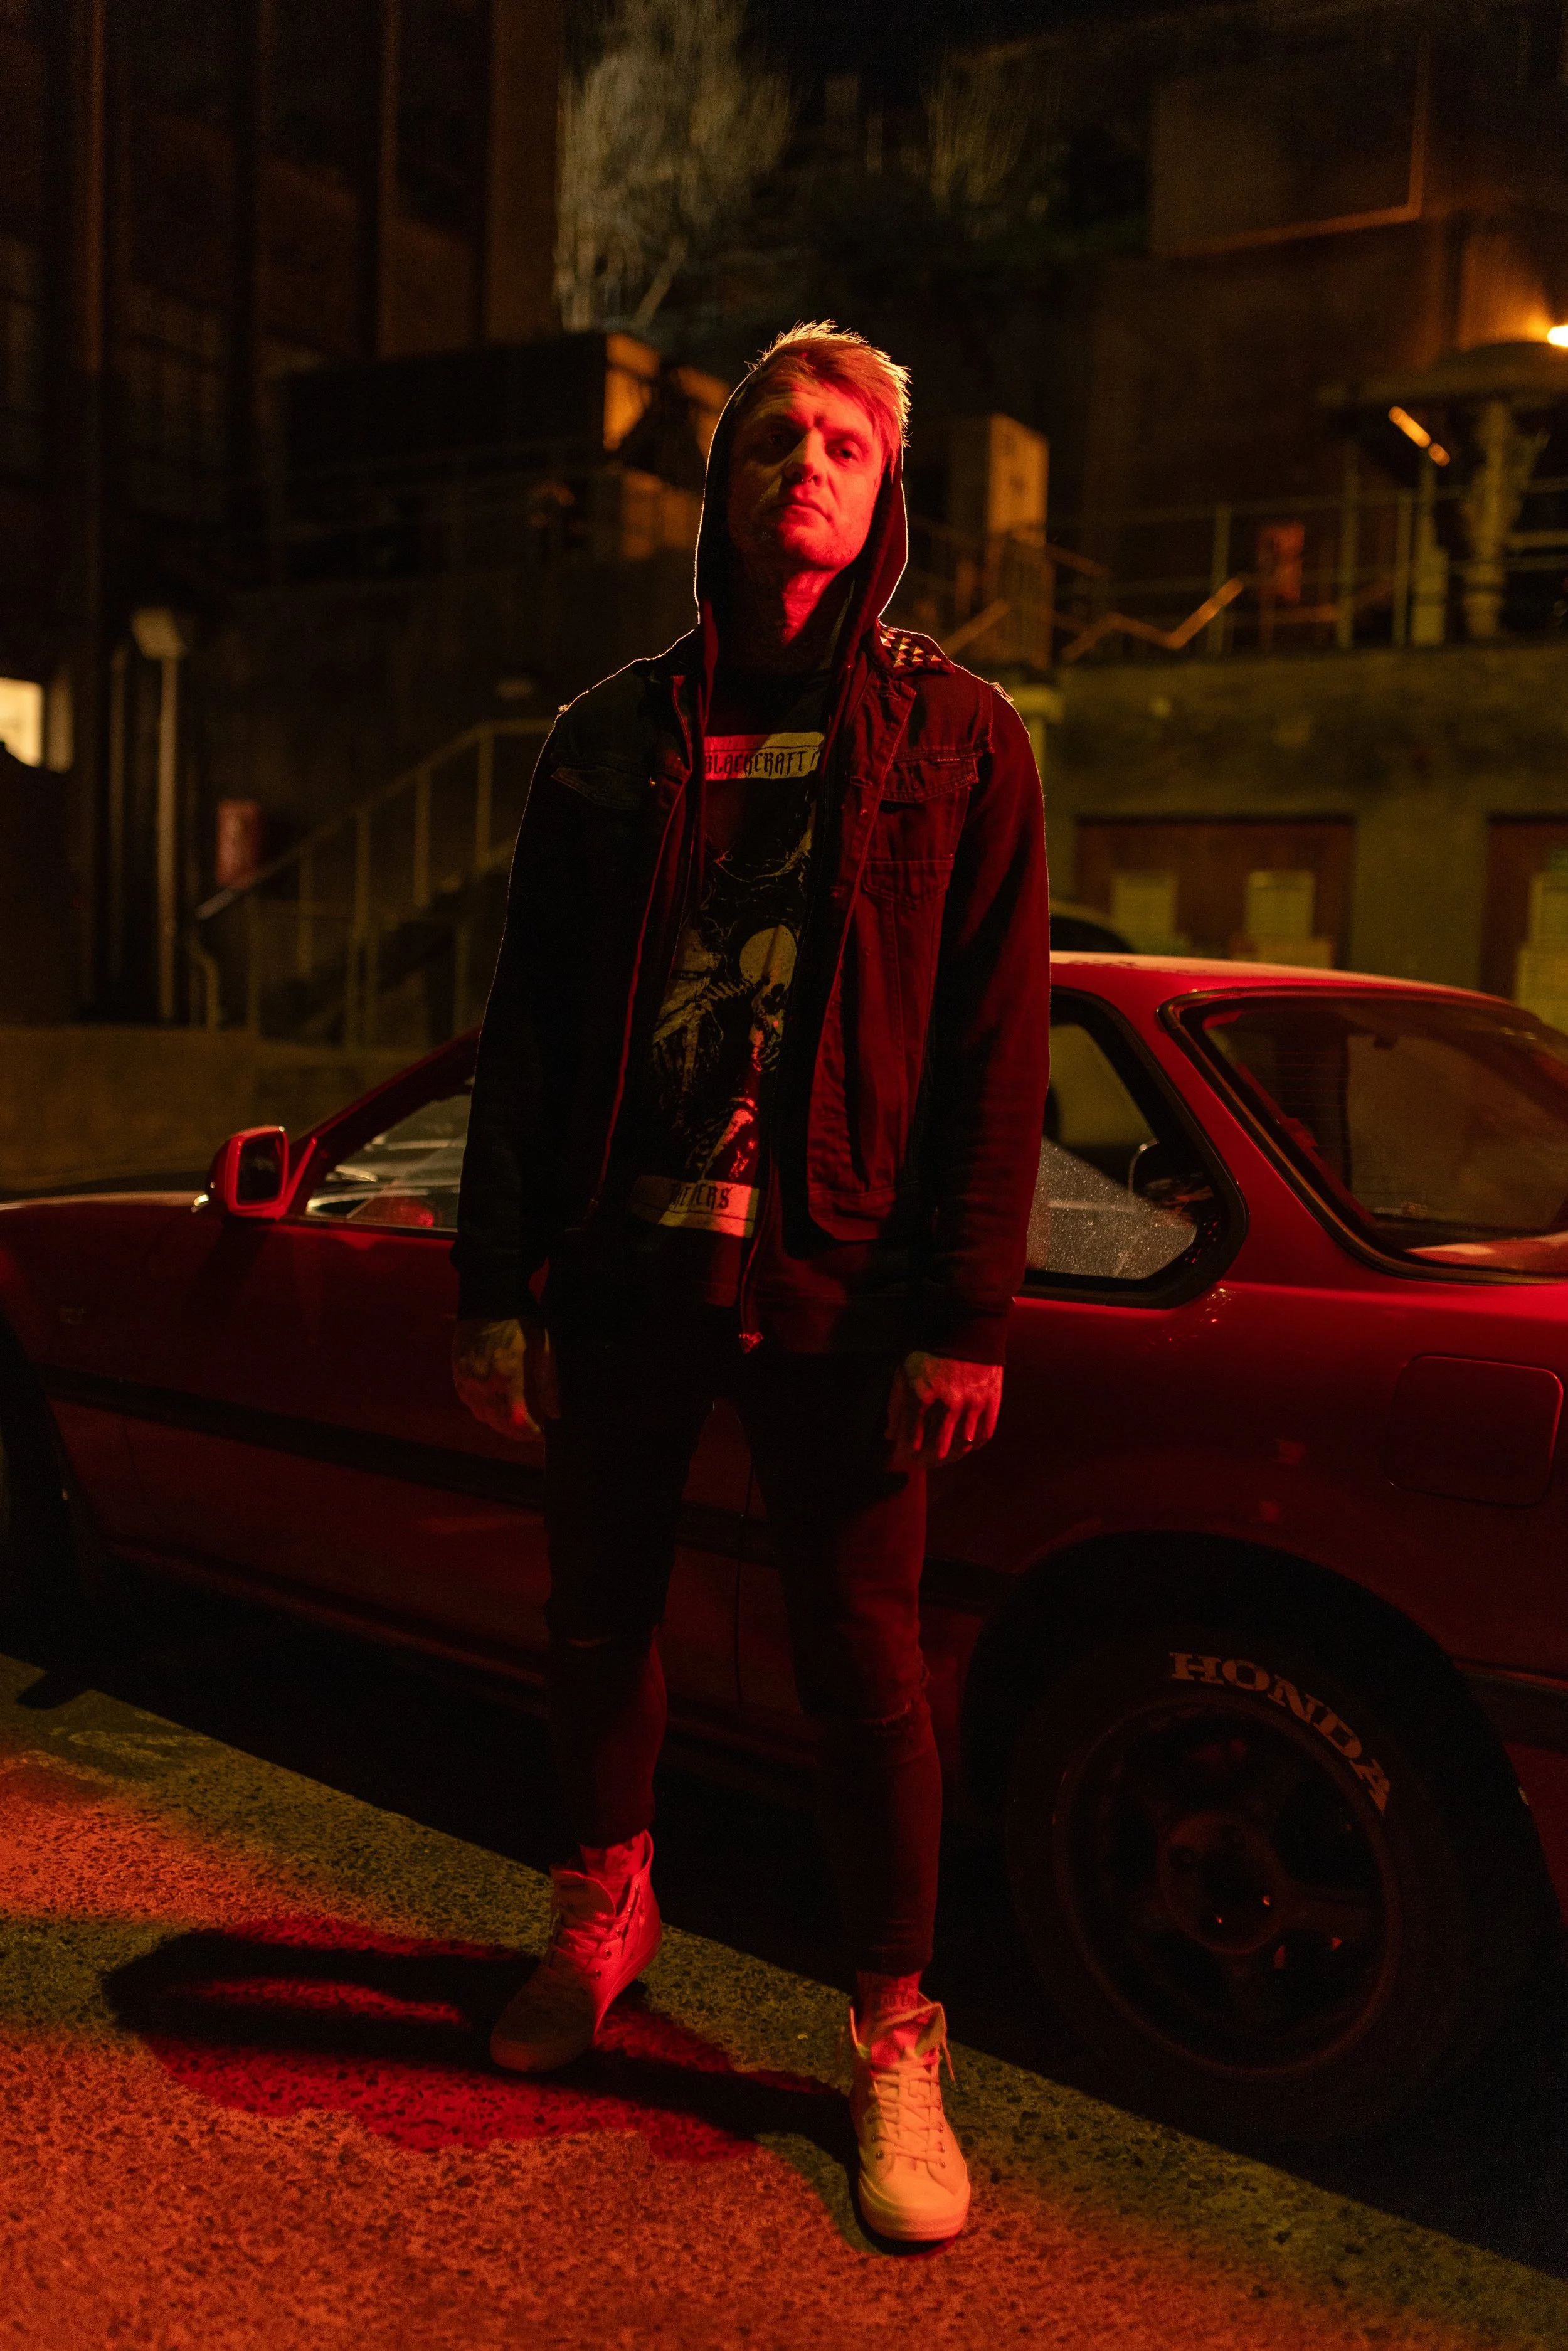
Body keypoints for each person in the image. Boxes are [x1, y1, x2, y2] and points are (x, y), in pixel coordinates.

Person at [451, 322, 1051, 2244]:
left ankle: (890, 2031)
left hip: (845, 1285)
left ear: (883, 501)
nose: (808, 462)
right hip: (623, 1264)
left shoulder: (960, 739)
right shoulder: (606, 739)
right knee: (593, 1617)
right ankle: (603, 1908)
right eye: (775, 437)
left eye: (847, 445)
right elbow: (529, 1034)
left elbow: (993, 1044)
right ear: (718, 485)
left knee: (865, 1679)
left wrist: (964, 1310)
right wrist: (491, 1278)